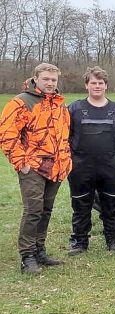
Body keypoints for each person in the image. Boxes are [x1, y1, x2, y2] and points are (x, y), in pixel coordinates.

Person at [0, 63, 72, 274]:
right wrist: (21, 163)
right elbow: (7, 134)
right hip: (32, 166)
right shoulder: (21, 102)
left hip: (56, 166)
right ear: (36, 79)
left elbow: (64, 134)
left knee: (46, 210)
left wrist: (66, 159)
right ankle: (27, 255)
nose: (50, 83)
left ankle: (40, 250)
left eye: (53, 80)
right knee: (33, 210)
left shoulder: (58, 104)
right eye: (46, 79)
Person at [67, 66, 115, 255]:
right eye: (93, 83)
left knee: (112, 205)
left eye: (100, 83)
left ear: (106, 86)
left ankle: (113, 240)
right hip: (80, 166)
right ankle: (80, 242)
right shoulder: (74, 109)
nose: (97, 86)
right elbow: (64, 135)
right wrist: (71, 159)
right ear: (86, 85)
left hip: (111, 166)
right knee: (81, 205)